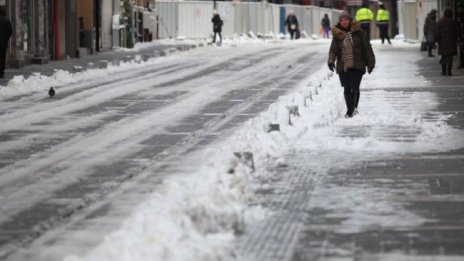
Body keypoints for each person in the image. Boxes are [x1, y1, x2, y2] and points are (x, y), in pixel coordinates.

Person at [328, 11, 375, 118]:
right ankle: (352, 108)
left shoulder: (359, 32)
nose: (344, 22)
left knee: (354, 87)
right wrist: (331, 61)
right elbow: (333, 50)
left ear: (350, 21)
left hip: (358, 64)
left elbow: (367, 48)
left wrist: (371, 62)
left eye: (346, 20)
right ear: (340, 22)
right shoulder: (337, 35)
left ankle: (350, 110)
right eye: (342, 20)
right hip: (343, 65)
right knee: (347, 88)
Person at [437, 8, 460, 76]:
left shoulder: (440, 22)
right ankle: (449, 71)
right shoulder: (453, 22)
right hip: (451, 43)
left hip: (442, 42)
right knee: (450, 58)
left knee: (443, 56)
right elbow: (457, 32)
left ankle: (443, 71)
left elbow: (437, 32)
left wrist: (438, 40)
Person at [0, 7, 12, 79]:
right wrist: (6, 38)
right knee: (2, 58)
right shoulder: (6, 20)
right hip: (3, 43)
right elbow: (10, 31)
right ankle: (1, 73)